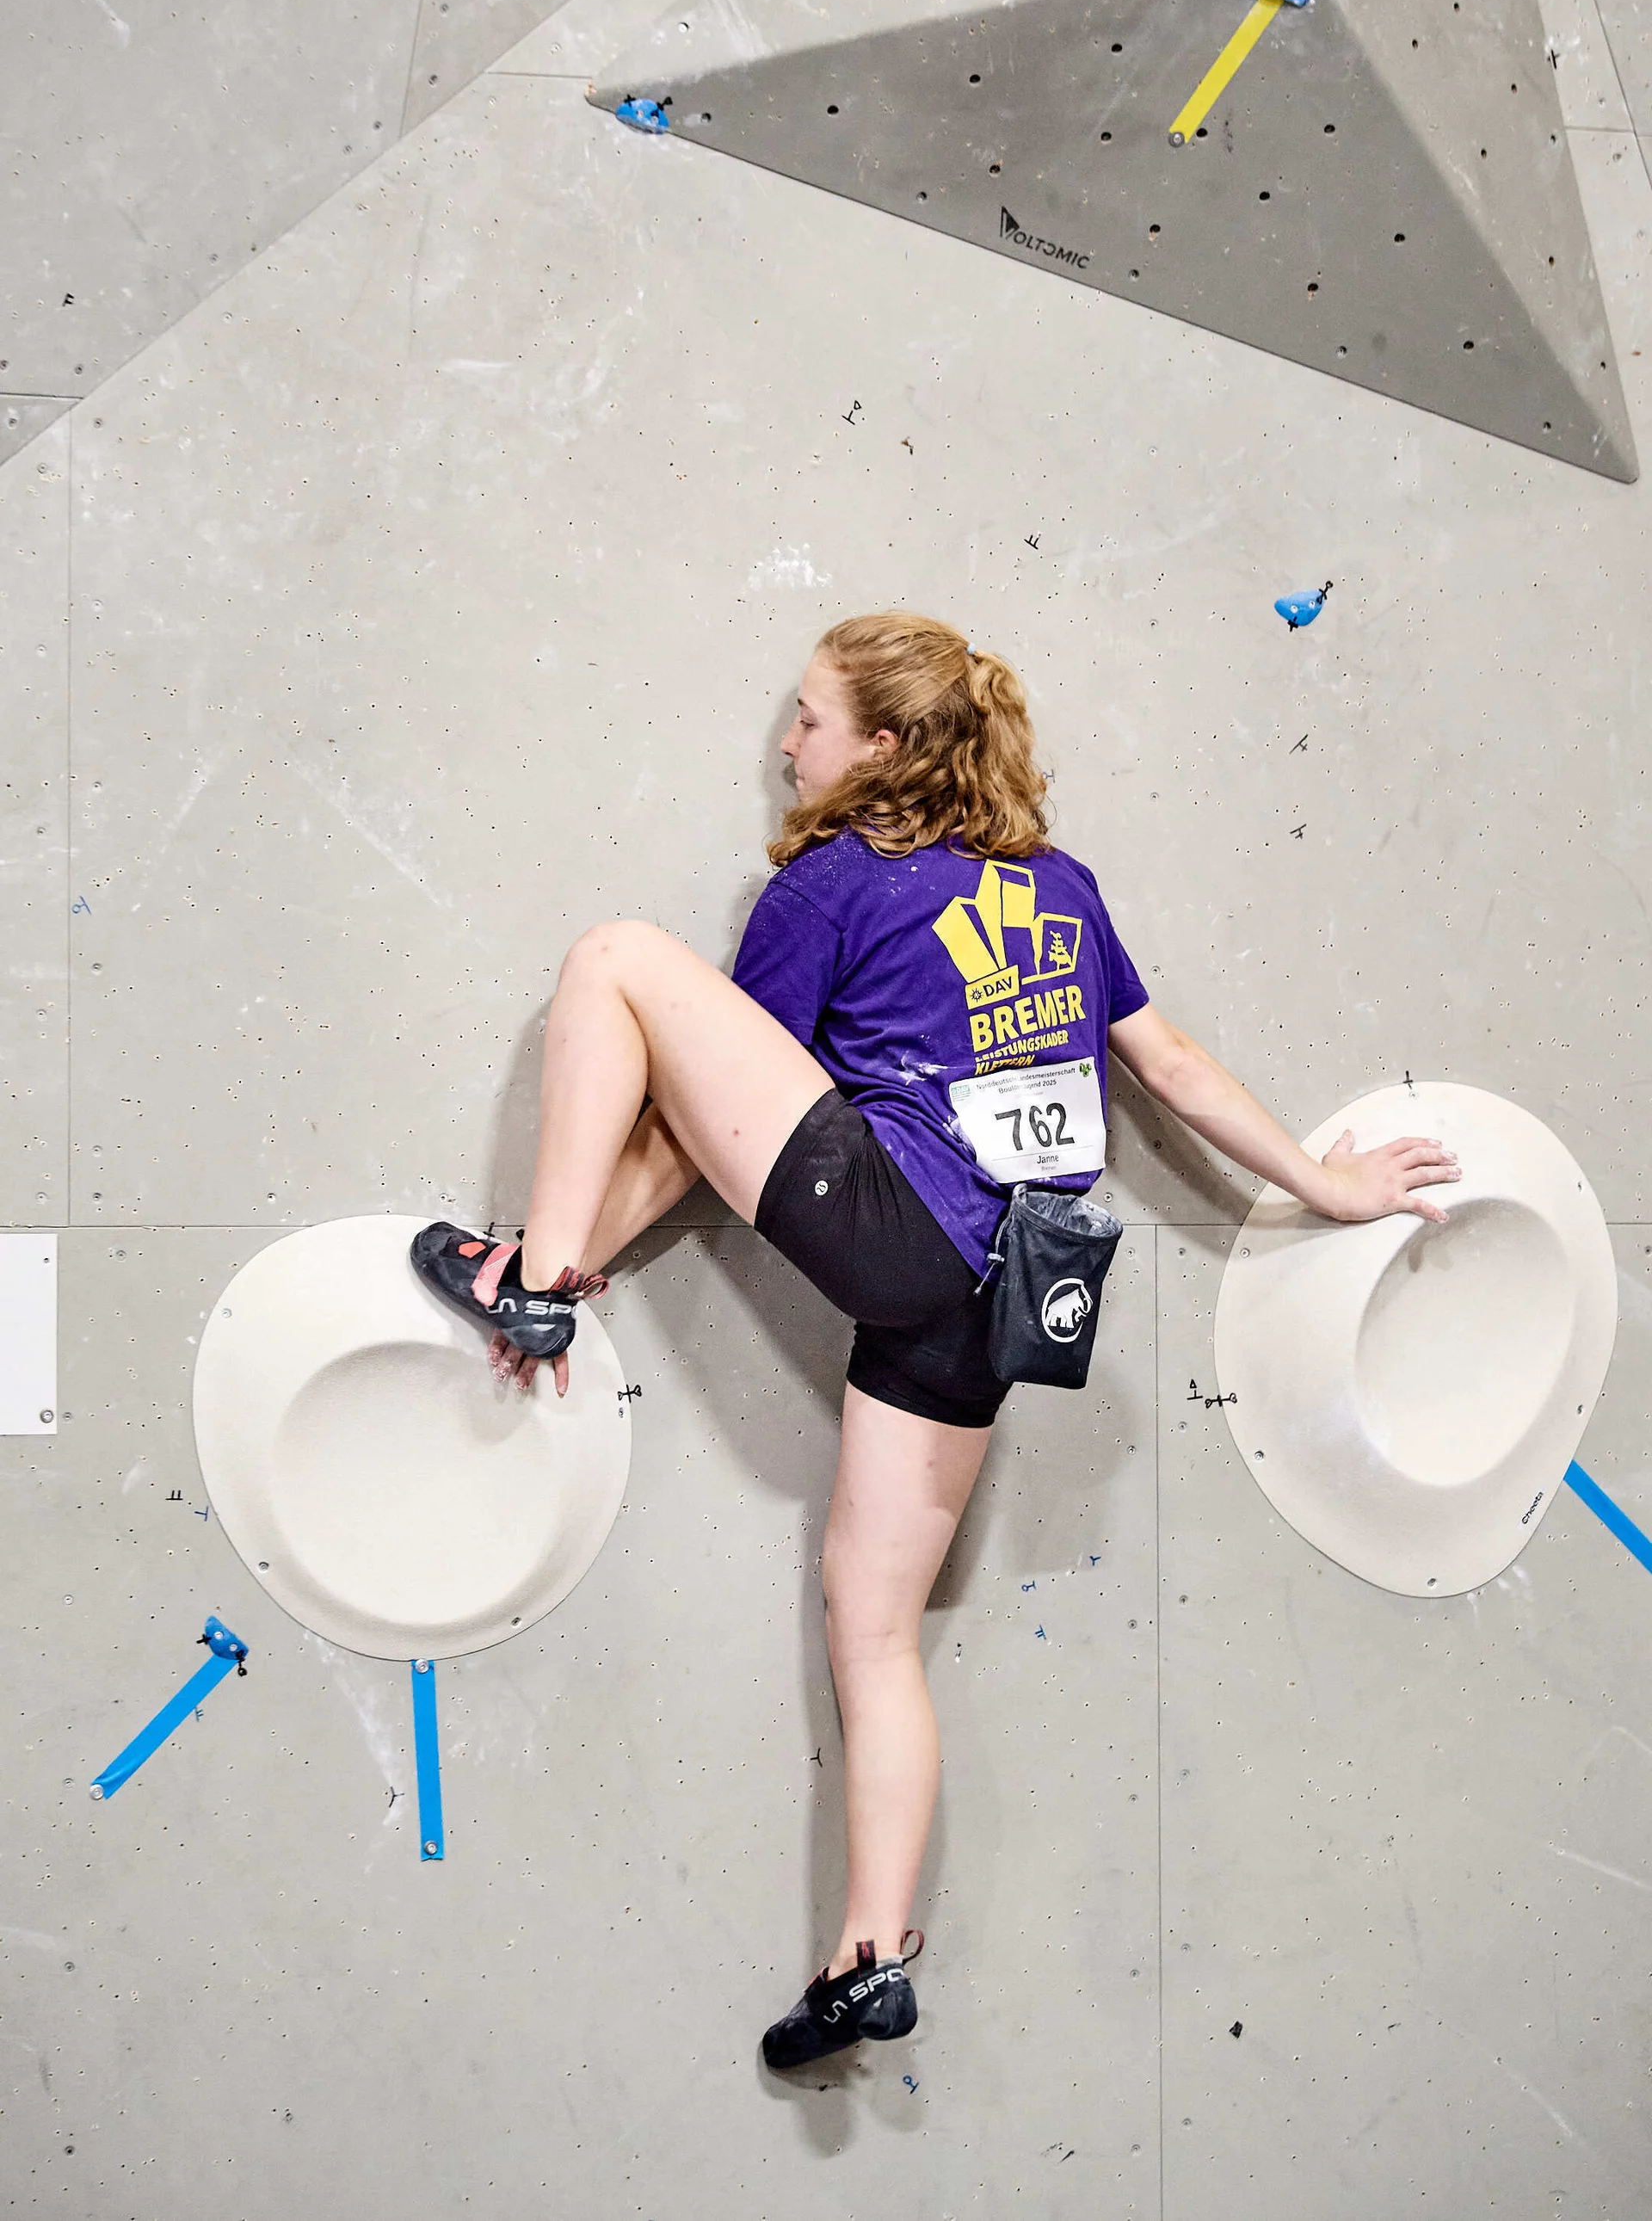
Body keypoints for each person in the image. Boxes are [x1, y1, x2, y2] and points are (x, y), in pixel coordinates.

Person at [410, 610, 1460, 2071]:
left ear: (884, 748)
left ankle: (522, 1272)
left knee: (615, 954)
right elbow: (1170, 1066)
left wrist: (557, 1270)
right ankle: (871, 1955)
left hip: (898, 1227)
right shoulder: (1064, 888)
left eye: (811, 720)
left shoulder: (834, 886)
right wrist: (1326, 1182)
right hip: (1007, 1299)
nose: (786, 746)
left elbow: (696, 1134)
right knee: (876, 1623)